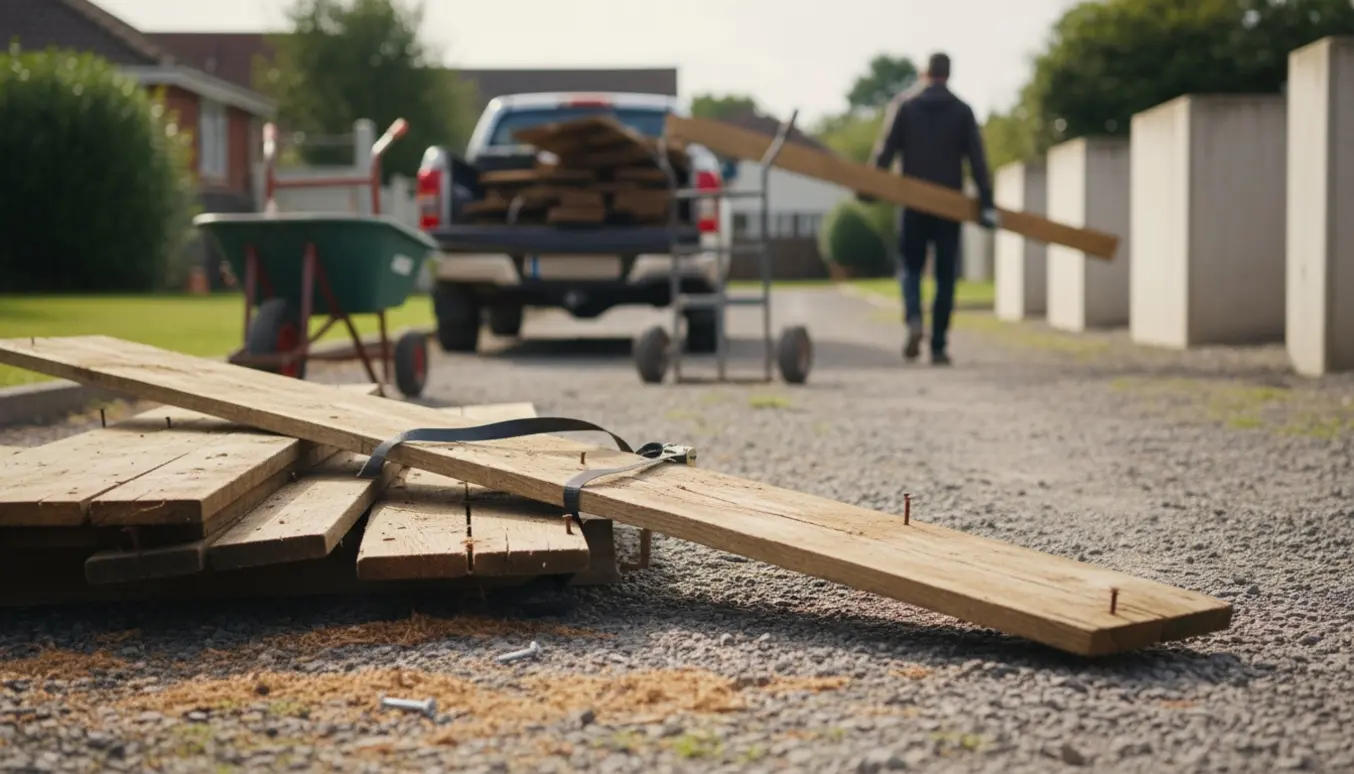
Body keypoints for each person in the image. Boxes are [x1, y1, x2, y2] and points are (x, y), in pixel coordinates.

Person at [861, 52, 998, 365]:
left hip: (912, 202)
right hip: (949, 204)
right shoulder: (962, 111)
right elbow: (977, 161)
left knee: (910, 268)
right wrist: (987, 204)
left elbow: (885, 150)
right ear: (948, 74)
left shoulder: (906, 105)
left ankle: (913, 319)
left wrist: (869, 185)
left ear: (924, 72)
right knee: (946, 275)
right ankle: (937, 345)